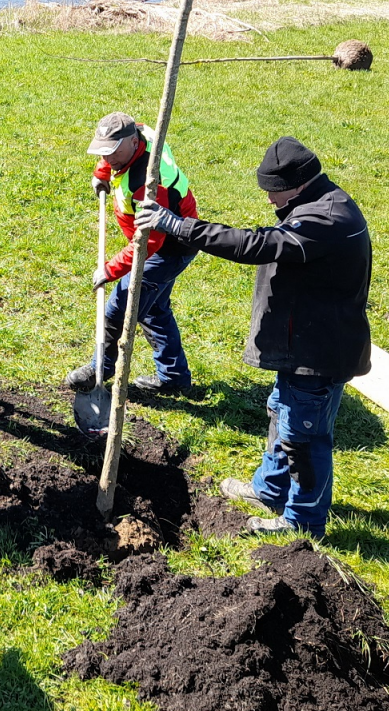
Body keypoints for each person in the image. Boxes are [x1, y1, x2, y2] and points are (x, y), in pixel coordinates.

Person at [137, 136, 372, 537]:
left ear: (298, 183)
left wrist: (178, 225)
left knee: (305, 436)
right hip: (303, 343)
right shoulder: (312, 203)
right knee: (282, 414)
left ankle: (303, 522)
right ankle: (269, 490)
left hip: (318, 352)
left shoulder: (326, 218)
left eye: (274, 192)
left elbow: (257, 245)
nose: (269, 201)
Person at [65, 111, 200, 397]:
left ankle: (100, 369)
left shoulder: (148, 185)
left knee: (120, 306)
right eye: (103, 152)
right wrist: (102, 174)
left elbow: (148, 243)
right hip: (162, 239)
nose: (107, 157)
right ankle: (174, 377)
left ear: (130, 142)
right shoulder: (139, 133)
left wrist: (110, 270)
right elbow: (110, 153)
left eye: (112, 153)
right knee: (154, 309)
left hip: (169, 246)